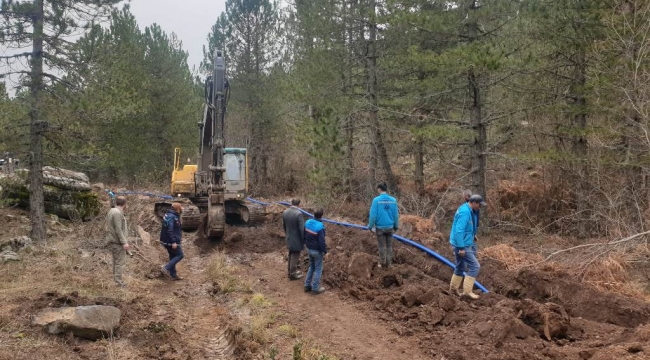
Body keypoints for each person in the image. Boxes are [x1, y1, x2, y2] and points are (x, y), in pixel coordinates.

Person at [449, 194, 486, 299]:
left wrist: (473, 235)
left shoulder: (469, 210)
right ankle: (467, 292)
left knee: (460, 266)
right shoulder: (465, 212)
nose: (480, 207)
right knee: (475, 266)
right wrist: (461, 248)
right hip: (462, 244)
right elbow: (458, 231)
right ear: (474, 203)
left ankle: (453, 289)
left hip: (463, 242)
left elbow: (468, 227)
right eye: (479, 205)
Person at [367, 183, 399, 268]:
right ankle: (389, 264)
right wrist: (396, 226)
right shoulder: (393, 200)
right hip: (390, 227)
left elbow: (373, 215)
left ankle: (382, 263)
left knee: (381, 245)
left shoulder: (376, 200)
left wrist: (370, 226)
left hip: (380, 227)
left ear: (380, 190)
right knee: (389, 245)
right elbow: (396, 215)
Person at [106, 196, 129, 287]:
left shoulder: (112, 210)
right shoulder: (117, 213)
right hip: (117, 242)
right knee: (119, 262)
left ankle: (116, 280)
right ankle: (118, 282)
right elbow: (118, 229)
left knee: (116, 262)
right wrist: (124, 242)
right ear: (125, 204)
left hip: (113, 240)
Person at [304, 208, 327, 295]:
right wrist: (325, 251)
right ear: (322, 216)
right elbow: (322, 242)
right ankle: (315, 288)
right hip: (317, 251)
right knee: (318, 269)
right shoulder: (320, 226)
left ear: (313, 214)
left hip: (309, 249)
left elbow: (304, 234)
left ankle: (307, 285)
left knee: (311, 266)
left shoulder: (307, 222)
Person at [160, 203, 185, 280]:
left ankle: (173, 274)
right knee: (180, 255)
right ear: (177, 209)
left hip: (166, 240)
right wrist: (173, 242)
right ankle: (166, 268)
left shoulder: (168, 215)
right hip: (170, 241)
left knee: (172, 256)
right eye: (180, 209)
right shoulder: (172, 217)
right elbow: (169, 230)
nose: (181, 210)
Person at [283, 198, 305, 280]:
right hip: (296, 239)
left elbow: (284, 226)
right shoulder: (299, 214)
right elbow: (302, 229)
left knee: (290, 254)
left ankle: (290, 272)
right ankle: (292, 274)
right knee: (295, 256)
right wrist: (304, 240)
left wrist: (287, 234)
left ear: (291, 203)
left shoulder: (285, 212)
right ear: (299, 204)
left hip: (289, 237)